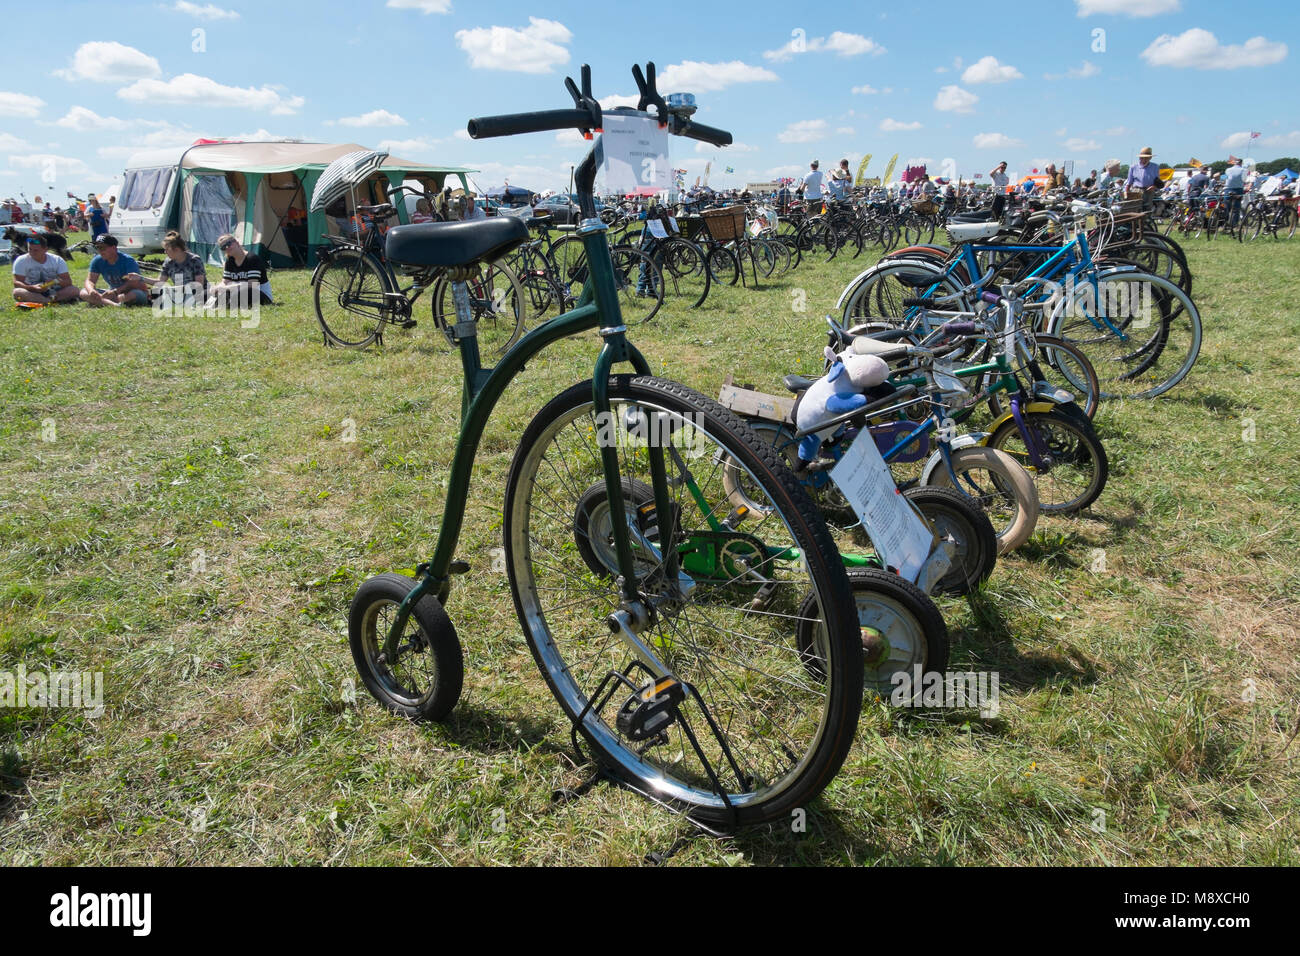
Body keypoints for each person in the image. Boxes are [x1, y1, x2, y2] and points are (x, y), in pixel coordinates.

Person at [11, 233, 79, 305]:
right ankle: (50, 301)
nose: (32, 253)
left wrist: (54, 282)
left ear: (45, 249)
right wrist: (32, 288)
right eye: (30, 249)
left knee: (74, 290)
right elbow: (17, 283)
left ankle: (44, 301)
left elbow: (68, 281)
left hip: (55, 290)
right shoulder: (21, 260)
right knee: (17, 292)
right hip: (32, 291)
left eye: (36, 250)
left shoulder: (57, 260)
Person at [209, 233, 273, 307]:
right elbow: (225, 282)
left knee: (243, 292)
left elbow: (252, 285)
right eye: (223, 247)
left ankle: (226, 304)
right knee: (216, 292)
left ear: (236, 242)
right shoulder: (230, 261)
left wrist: (226, 288)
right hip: (238, 291)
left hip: (260, 294)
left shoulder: (252, 259)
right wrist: (217, 288)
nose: (227, 248)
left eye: (228, 244)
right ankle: (218, 304)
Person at [150, 231, 208, 308]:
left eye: (167, 249)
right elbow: (160, 282)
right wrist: (140, 278)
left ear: (176, 249)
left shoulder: (194, 260)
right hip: (179, 293)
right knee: (156, 291)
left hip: (197, 293)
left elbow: (198, 284)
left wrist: (173, 289)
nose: (165, 252)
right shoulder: (168, 262)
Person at [1223, 157, 1247, 226]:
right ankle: (1234, 223)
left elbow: (1227, 177)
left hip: (1228, 189)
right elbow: (1244, 180)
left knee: (1226, 206)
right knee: (1236, 207)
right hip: (1238, 189)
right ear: (1241, 163)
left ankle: (1225, 222)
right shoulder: (1244, 170)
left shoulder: (1228, 169)